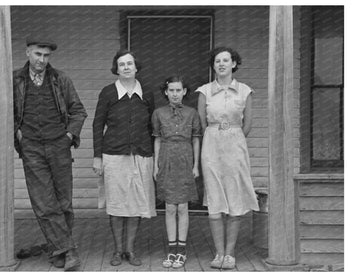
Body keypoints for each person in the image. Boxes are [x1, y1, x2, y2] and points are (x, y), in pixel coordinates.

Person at [13, 35, 87, 271]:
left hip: (59, 145)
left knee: (64, 202)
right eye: (38, 54)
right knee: (44, 203)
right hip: (32, 147)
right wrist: (17, 133)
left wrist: (68, 137)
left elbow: (78, 111)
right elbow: (3, 110)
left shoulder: (60, 79)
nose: (42, 60)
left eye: (46, 56)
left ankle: (59, 250)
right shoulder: (15, 80)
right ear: (27, 53)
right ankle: (69, 251)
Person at [197, 47, 259, 269]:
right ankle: (218, 253)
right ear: (213, 66)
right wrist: (214, 134)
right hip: (211, 144)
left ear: (234, 64)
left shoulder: (244, 91)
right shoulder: (204, 91)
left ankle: (230, 254)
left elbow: (248, 123)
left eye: (226, 60)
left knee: (234, 197)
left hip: (235, 144)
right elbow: (202, 122)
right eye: (217, 61)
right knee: (214, 197)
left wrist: (233, 136)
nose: (221, 64)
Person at [92, 49, 156, 267]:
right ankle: (118, 251)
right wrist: (97, 156)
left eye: (130, 63)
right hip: (114, 155)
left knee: (136, 204)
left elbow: (152, 126)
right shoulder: (108, 93)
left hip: (141, 155)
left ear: (136, 67)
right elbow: (97, 124)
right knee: (118, 205)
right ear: (116, 69)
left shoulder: (146, 92)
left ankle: (131, 250)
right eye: (122, 64)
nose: (126, 67)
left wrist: (153, 156)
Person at [152, 76, 201, 268]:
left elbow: (196, 139)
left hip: (185, 158)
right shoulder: (158, 113)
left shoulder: (192, 113)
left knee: (183, 207)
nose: (175, 94)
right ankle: (171, 250)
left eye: (178, 90)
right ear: (166, 92)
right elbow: (157, 139)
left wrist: (196, 165)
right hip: (166, 158)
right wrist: (156, 164)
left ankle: (182, 250)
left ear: (184, 92)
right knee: (170, 207)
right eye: (171, 90)